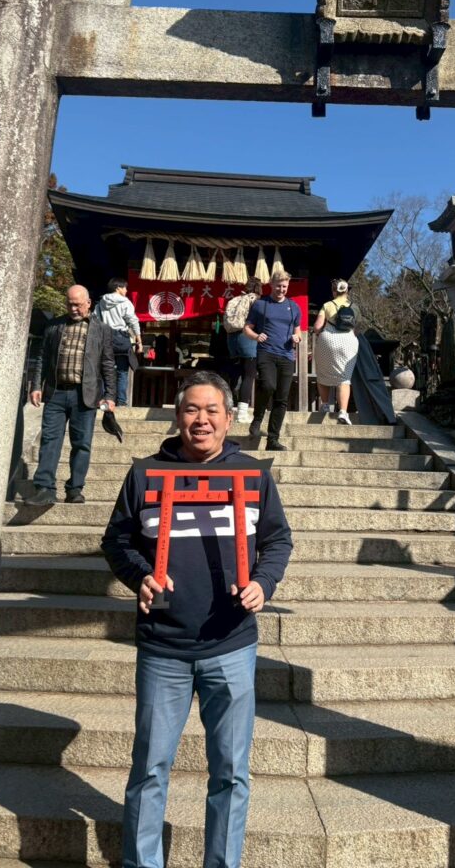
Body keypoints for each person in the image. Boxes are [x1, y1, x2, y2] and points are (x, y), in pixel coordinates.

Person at [101, 371, 292, 868]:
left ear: (229, 418)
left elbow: (277, 540)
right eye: (191, 409)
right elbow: (116, 541)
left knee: (231, 771)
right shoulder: (144, 474)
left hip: (231, 641)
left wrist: (263, 582)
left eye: (212, 411)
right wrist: (140, 576)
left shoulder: (253, 475)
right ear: (176, 416)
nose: (201, 420)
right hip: (163, 644)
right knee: (149, 767)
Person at [27, 285, 116, 505]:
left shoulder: (102, 329)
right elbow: (43, 357)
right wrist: (36, 385)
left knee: (82, 443)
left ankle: (75, 488)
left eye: (77, 304)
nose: (73, 308)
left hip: (85, 395)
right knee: (50, 440)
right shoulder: (54, 326)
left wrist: (110, 395)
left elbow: (107, 363)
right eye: (69, 304)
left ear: (88, 303)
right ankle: (44, 488)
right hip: (56, 392)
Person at [243, 270, 302, 451]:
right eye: (278, 286)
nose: (281, 290)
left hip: (286, 355)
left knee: (281, 399)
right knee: (268, 385)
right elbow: (247, 328)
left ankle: (273, 440)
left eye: (284, 287)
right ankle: (258, 417)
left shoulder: (294, 307)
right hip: (266, 352)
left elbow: (298, 330)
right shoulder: (260, 305)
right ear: (271, 285)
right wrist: (256, 336)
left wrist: (297, 337)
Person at [313, 278, 360, 425]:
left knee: (322, 374)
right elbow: (357, 330)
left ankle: (325, 405)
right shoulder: (355, 307)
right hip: (348, 342)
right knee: (344, 378)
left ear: (334, 291)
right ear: (347, 291)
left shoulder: (327, 305)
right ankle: (343, 412)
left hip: (328, 341)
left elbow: (317, 327)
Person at [96, 277, 144, 406]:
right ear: (118, 288)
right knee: (122, 371)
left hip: (104, 338)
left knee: (105, 370)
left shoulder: (100, 303)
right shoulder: (125, 302)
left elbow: (95, 320)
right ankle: (121, 401)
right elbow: (133, 321)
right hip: (121, 339)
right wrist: (139, 340)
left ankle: (105, 399)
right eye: (125, 288)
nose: (126, 290)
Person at [225, 275, 263, 423]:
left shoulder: (234, 300)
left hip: (231, 339)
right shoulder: (256, 300)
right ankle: (241, 413)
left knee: (234, 375)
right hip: (247, 338)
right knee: (248, 375)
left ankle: (227, 409)